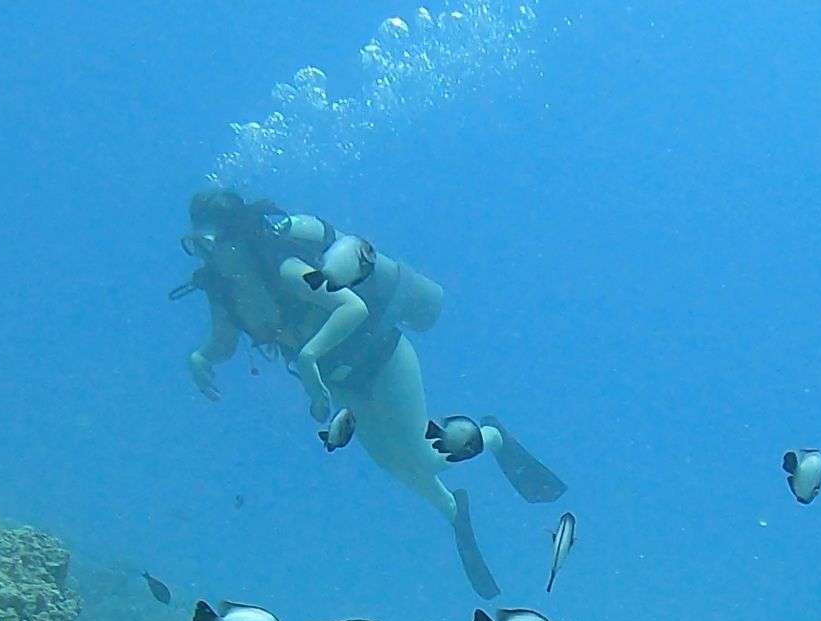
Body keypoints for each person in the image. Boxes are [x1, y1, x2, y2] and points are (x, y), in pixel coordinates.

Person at [173, 189, 566, 598]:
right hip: (343, 383)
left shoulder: (281, 266)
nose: (206, 253)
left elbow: (352, 307)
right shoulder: (222, 288)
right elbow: (223, 342)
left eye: (211, 241)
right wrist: (200, 359)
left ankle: (491, 436)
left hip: (383, 359)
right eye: (195, 244)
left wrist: (308, 357)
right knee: (391, 462)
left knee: (424, 454)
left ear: (237, 236)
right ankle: (454, 511)